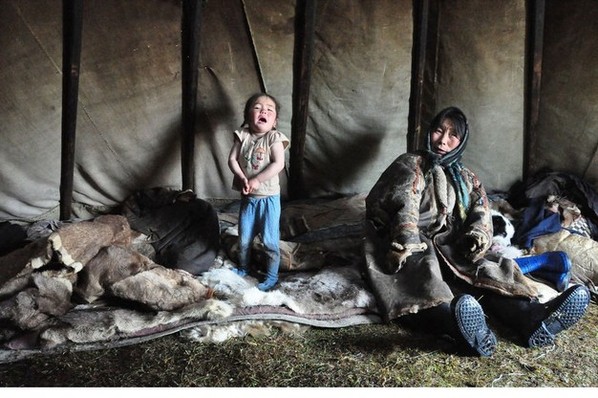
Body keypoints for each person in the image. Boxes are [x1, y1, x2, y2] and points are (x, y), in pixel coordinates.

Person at [363, 106, 591, 356]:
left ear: (461, 142)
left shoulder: (465, 177)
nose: (443, 140)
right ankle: (458, 327)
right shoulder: (410, 163)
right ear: (430, 132)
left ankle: (532, 318)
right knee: (421, 279)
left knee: (488, 272)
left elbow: (481, 208)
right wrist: (406, 237)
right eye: (439, 131)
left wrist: (478, 235)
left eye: (452, 135)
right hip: (412, 241)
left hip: (450, 242)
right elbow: (402, 199)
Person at [228, 93, 290, 291]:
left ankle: (271, 276)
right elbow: (232, 160)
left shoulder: (274, 137)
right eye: (257, 107)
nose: (264, 110)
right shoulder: (242, 135)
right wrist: (243, 178)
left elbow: (278, 163)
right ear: (247, 115)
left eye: (269, 109)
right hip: (248, 198)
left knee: (269, 240)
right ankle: (244, 267)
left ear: (274, 121)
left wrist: (256, 179)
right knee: (244, 237)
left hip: (269, 199)